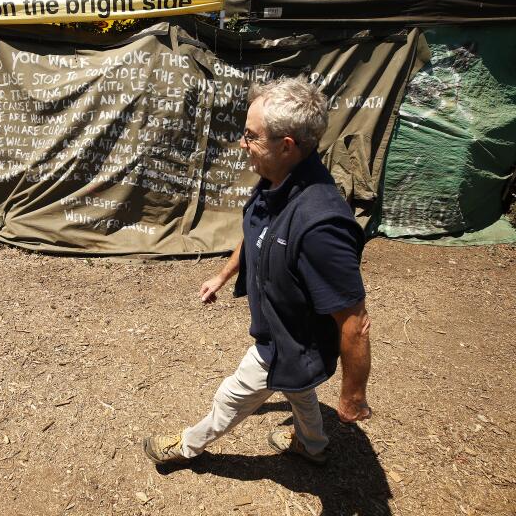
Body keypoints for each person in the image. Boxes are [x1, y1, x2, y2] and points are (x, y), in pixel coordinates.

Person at [143, 76, 372, 466]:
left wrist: (352, 398)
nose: (241, 144)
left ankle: (185, 446)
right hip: (282, 332)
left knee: (232, 396)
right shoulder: (277, 180)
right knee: (297, 390)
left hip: (291, 340)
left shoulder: (321, 225)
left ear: (286, 146)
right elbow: (257, 233)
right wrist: (222, 275)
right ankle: (313, 444)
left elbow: (355, 322)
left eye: (251, 136)